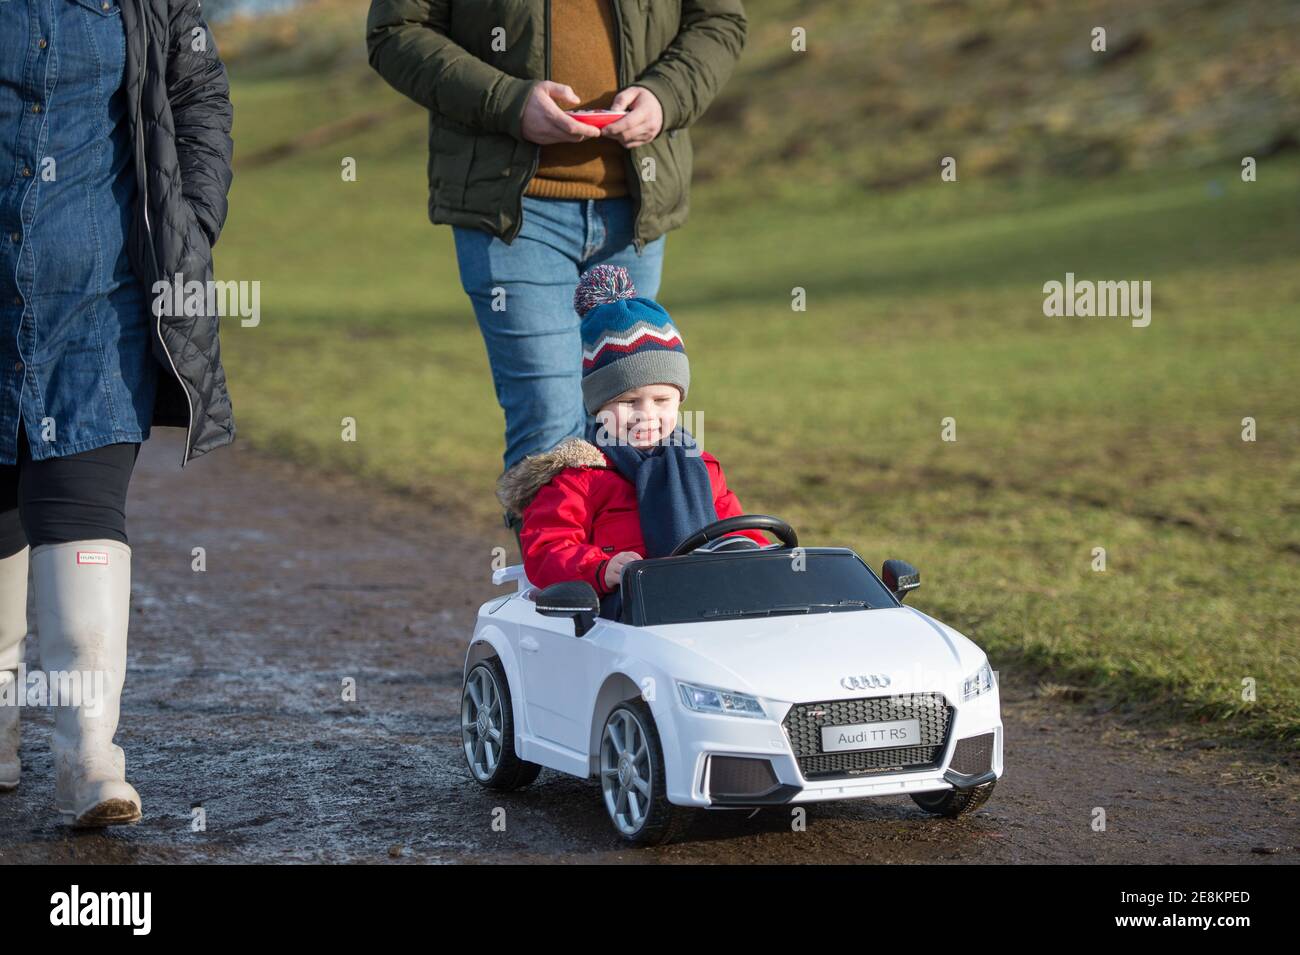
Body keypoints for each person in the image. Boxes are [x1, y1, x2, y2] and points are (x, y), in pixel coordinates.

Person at [365, 0, 748, 543]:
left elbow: (719, 19)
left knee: (630, 425)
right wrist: (508, 103)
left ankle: (626, 594)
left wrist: (665, 95)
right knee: (550, 428)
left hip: (634, 209)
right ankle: (557, 601)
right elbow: (396, 30)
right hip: (515, 210)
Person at [0, 0, 236, 826]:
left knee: (81, 506)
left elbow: (198, 93)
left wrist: (191, 224)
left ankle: (87, 755)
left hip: (101, 302)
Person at [495, 265, 765, 619]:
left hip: (705, 603)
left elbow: (736, 531)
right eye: (628, 401)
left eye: (661, 400)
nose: (646, 414)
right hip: (620, 614)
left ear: (679, 401)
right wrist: (601, 568)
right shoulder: (579, 476)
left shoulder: (701, 467)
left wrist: (759, 557)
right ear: (599, 406)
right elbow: (546, 549)